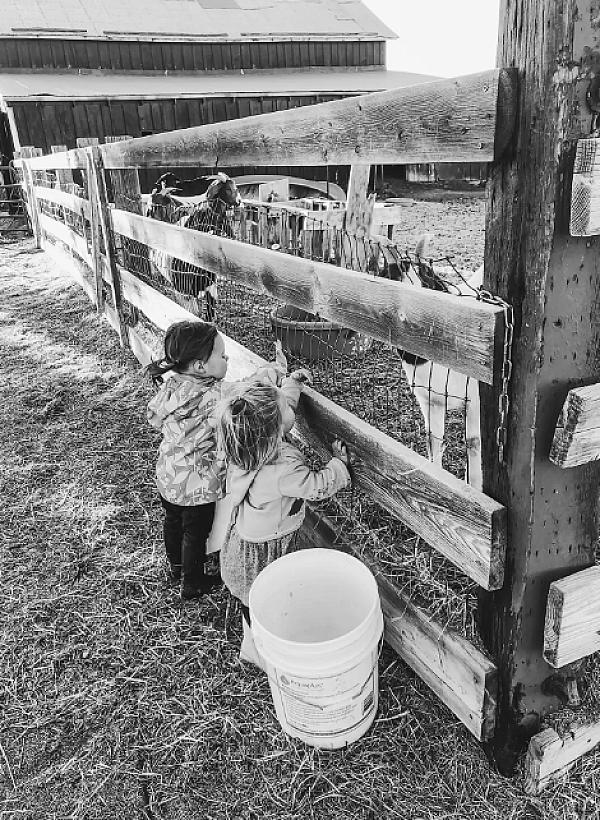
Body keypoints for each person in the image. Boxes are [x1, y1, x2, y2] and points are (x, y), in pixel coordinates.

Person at [215, 376, 351, 664]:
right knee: (264, 603)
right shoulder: (281, 468)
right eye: (284, 406)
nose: (289, 406)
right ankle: (261, 651)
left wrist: (293, 384)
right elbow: (317, 487)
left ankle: (253, 640)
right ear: (276, 427)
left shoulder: (247, 446)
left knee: (251, 603)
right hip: (264, 553)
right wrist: (338, 465)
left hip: (243, 543)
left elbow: (281, 406)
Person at [146, 320, 230, 600]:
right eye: (221, 354)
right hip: (197, 483)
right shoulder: (213, 394)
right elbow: (244, 391)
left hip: (169, 474)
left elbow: (155, 419)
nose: (226, 358)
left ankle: (176, 567)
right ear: (200, 366)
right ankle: (192, 582)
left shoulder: (170, 387)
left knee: (173, 521)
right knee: (195, 532)